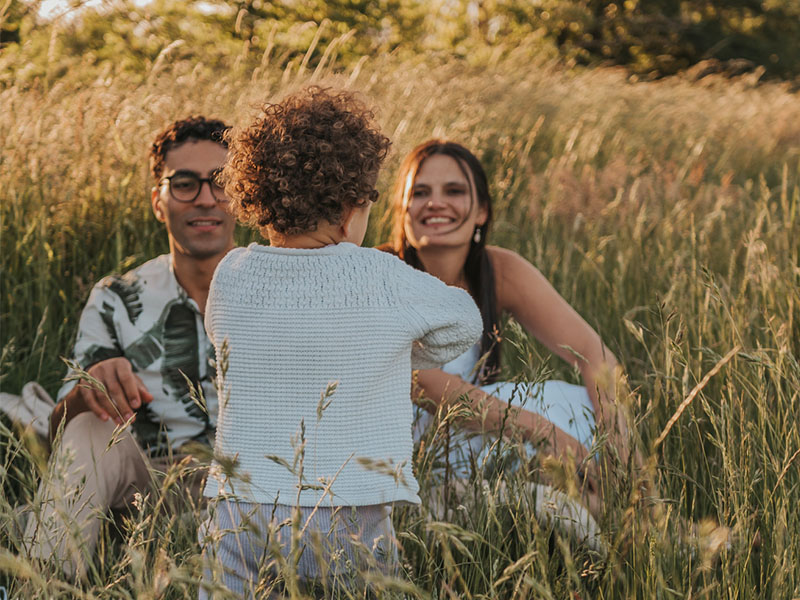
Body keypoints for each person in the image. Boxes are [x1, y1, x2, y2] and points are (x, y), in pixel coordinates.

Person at [199, 87, 482, 598]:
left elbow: (223, 341)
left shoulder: (232, 272)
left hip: (240, 506)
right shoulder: (378, 273)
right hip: (349, 508)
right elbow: (465, 321)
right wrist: (388, 352)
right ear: (353, 206)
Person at [22, 116, 236, 579]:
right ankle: (46, 585)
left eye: (221, 182)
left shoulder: (277, 288)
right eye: (184, 183)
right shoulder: (117, 296)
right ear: (158, 201)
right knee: (87, 430)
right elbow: (57, 433)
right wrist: (85, 392)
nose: (205, 198)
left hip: (252, 480)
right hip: (149, 481)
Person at [381, 140, 629, 499]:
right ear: (402, 208)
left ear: (481, 211)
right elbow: (423, 383)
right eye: (420, 192)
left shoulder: (499, 271)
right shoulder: (381, 274)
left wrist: (621, 447)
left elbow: (594, 354)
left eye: (454, 191)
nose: (435, 202)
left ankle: (634, 525)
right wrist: (546, 433)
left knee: (582, 408)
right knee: (553, 426)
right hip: (405, 442)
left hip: (478, 428)